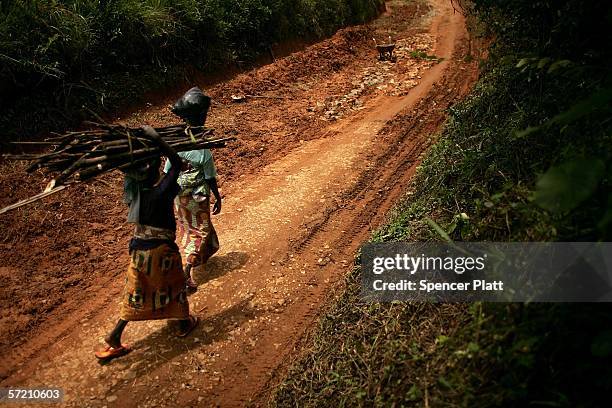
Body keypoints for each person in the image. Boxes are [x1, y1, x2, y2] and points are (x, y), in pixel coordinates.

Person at [95, 126, 199, 361]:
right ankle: (183, 323)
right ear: (153, 169)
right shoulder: (161, 191)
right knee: (174, 286)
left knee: (135, 293)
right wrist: (158, 140)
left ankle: (114, 336)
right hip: (161, 251)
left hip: (139, 250)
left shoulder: (137, 193)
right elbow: (175, 160)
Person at [164, 87, 222, 294]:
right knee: (200, 231)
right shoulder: (203, 146)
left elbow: (168, 171)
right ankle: (186, 274)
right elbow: (209, 177)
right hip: (197, 196)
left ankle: (200, 256)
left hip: (180, 196)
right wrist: (218, 197)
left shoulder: (177, 142)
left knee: (189, 228)